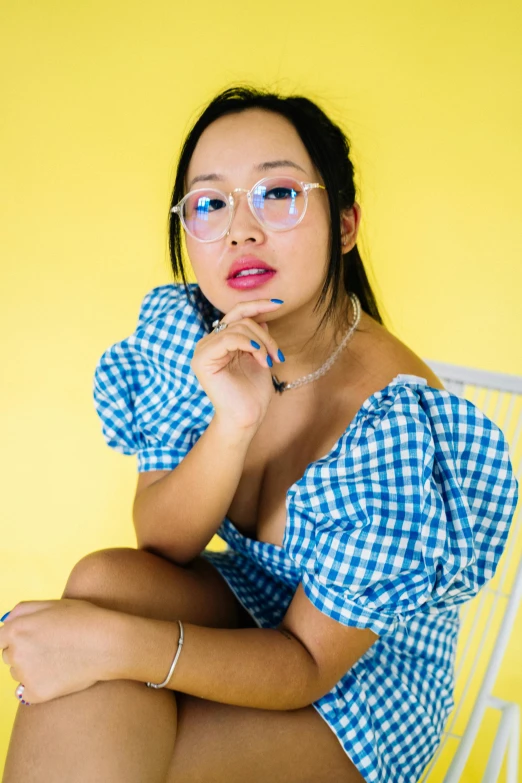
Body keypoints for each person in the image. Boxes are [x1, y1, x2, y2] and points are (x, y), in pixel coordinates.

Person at [1, 86, 518, 783]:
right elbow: (163, 542)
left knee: (100, 721)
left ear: (344, 223)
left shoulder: (394, 429)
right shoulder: (196, 335)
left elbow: (306, 661)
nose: (241, 230)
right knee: (103, 581)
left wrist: (116, 645)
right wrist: (233, 422)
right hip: (250, 607)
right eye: (210, 204)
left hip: (355, 688)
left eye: (277, 193)